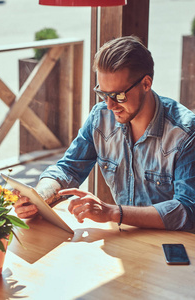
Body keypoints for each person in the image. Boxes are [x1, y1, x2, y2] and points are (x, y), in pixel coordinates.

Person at [14, 36, 195, 232]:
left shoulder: (185, 133)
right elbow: (69, 169)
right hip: (125, 239)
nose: (110, 105)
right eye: (103, 94)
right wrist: (39, 197)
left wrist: (112, 213)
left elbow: (186, 210)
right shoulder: (100, 118)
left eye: (118, 95)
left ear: (146, 83)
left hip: (173, 248)